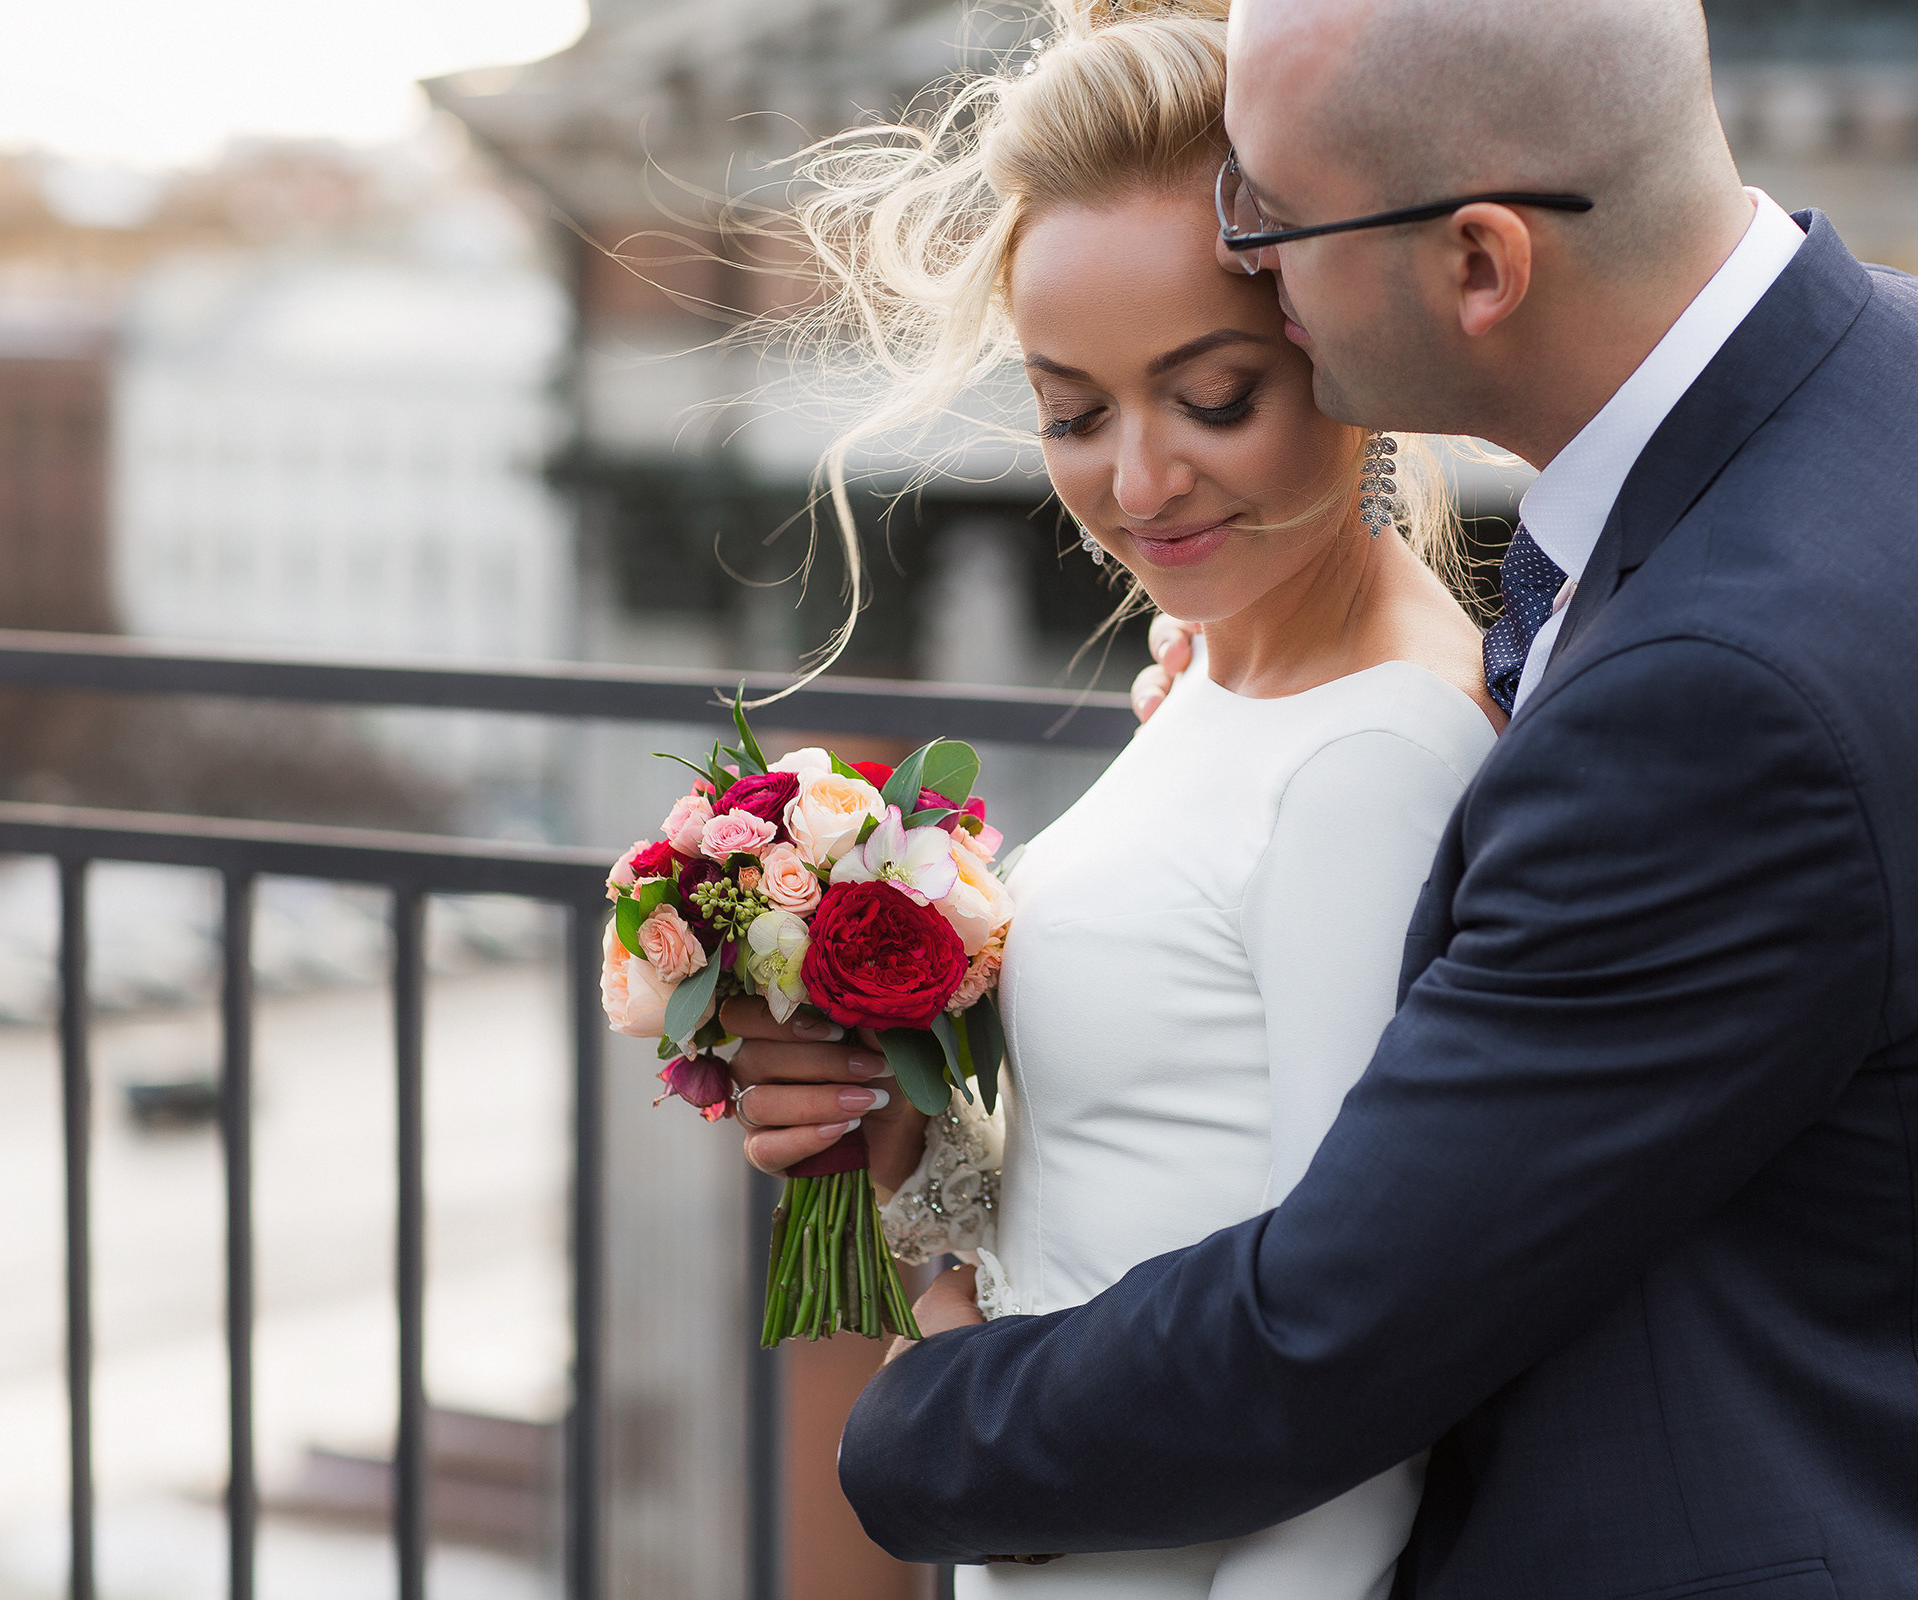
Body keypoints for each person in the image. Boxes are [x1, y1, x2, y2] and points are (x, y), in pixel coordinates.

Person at [818, 0, 1918, 1595]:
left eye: (1271, 221)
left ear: (1479, 262)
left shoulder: (1715, 702)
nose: (1250, 260)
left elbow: (1330, 1342)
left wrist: (916, 1429)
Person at [720, 2, 1501, 1595]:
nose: (1136, 484)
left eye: (1212, 397)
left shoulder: (1369, 759)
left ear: (1343, 337)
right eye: (1073, 413)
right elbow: (1116, 1172)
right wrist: (894, 1147)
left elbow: (1364, 1400)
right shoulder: (1222, 670)